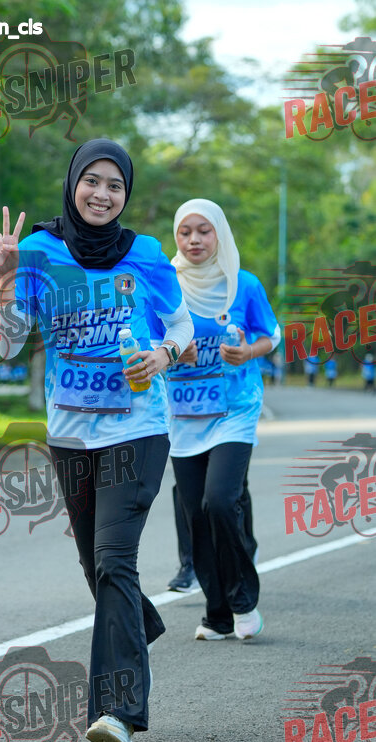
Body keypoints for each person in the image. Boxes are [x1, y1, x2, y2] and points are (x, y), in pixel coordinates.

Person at [0, 139, 193, 742]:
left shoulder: (147, 254)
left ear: (125, 194)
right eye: (92, 181)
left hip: (138, 429)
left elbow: (182, 326)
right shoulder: (38, 252)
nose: (102, 194)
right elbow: (6, 344)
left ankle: (119, 715)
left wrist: (163, 355)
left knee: (113, 560)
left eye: (115, 185)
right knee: (97, 568)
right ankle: (137, 623)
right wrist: (5, 277)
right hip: (70, 436)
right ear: (73, 183)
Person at [149, 199, 280, 641]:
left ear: (219, 234)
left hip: (234, 410)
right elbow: (148, 343)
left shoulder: (243, 283)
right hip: (183, 416)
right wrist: (171, 352)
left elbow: (270, 335)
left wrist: (248, 352)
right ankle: (218, 615)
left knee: (221, 501)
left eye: (203, 231)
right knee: (196, 517)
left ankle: (244, 602)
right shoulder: (164, 285)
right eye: (185, 232)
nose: (194, 240)